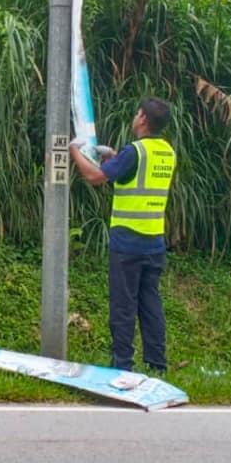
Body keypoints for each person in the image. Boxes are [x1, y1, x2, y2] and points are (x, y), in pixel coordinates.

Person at [67, 97, 176, 374]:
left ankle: (122, 364)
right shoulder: (166, 152)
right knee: (150, 303)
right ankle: (156, 364)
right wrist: (115, 161)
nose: (136, 115)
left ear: (142, 119)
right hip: (154, 241)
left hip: (128, 242)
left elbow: (94, 177)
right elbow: (135, 177)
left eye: (138, 112)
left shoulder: (135, 151)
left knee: (123, 306)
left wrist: (75, 151)